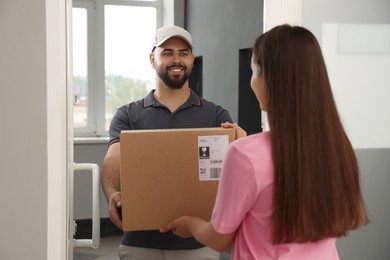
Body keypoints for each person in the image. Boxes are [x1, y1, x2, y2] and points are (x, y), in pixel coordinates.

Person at [160, 24, 370, 259]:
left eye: (253, 72)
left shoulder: (244, 155)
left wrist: (190, 224)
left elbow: (219, 238)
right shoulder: (338, 146)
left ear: (267, 77)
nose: (252, 82)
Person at [100, 25, 242, 260]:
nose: (176, 59)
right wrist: (113, 192)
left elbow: (234, 174)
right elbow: (114, 159)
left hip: (199, 246)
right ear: (152, 58)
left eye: (183, 53)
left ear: (192, 60)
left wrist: (242, 146)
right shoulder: (128, 114)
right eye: (167, 52)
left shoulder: (216, 116)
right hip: (140, 244)